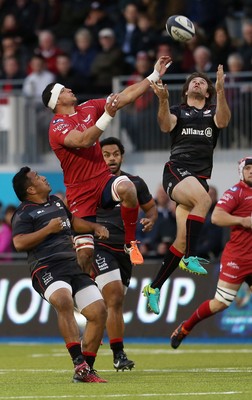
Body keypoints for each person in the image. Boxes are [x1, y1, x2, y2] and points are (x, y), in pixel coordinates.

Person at [41, 54, 170, 275]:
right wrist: (107, 116)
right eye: (63, 90)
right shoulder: (57, 125)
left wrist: (154, 75)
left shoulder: (89, 107)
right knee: (84, 256)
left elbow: (126, 96)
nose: (69, 89)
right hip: (79, 191)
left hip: (101, 180)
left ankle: (130, 243)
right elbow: (83, 141)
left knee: (128, 187)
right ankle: (82, 293)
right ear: (56, 101)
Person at [142, 64, 231, 315]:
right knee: (204, 201)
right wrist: (162, 100)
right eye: (193, 81)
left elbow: (223, 121)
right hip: (176, 171)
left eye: (202, 82)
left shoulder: (214, 110)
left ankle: (154, 288)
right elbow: (164, 125)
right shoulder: (177, 111)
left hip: (199, 179)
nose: (197, 82)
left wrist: (222, 91)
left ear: (208, 91)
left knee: (180, 241)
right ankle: (191, 257)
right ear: (186, 90)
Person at [11, 166, 110, 383]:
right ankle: (78, 362)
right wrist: (47, 229)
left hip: (71, 265)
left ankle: (86, 370)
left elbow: (73, 222)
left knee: (99, 311)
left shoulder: (56, 202)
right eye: (37, 177)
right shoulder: (24, 213)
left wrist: (94, 227)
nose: (43, 177)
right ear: (30, 189)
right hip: (46, 267)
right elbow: (18, 243)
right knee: (63, 300)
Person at [170, 157, 252, 349]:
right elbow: (216, 217)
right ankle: (186, 328)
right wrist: (242, 221)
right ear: (241, 171)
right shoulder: (235, 192)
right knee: (220, 303)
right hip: (237, 258)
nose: (251, 171)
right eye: (248, 168)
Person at [93, 136, 158, 371]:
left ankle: (117, 354)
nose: (111, 159)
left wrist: (150, 220)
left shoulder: (135, 183)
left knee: (116, 303)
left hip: (126, 251)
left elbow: (151, 209)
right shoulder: (91, 182)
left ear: (122, 156)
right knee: (115, 296)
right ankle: (117, 352)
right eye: (106, 155)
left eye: (115, 154)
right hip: (101, 247)